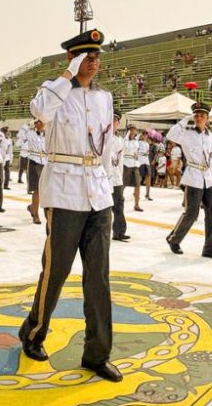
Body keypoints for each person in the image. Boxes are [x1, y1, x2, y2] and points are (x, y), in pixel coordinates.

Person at [18, 28, 121, 383]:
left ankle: (97, 353)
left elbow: (106, 146)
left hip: (97, 193)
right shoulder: (55, 93)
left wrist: (109, 185)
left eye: (96, 58)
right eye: (85, 57)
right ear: (72, 58)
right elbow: (39, 111)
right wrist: (67, 75)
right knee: (56, 270)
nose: (92, 64)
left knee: (99, 278)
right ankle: (33, 332)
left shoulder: (104, 98)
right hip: (64, 193)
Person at [165, 102, 212, 259]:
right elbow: (170, 135)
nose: (199, 118)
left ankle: (210, 248)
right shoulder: (187, 133)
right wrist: (185, 120)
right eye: (196, 115)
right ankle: (174, 239)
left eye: (202, 116)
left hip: (207, 178)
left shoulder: (210, 135)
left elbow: (210, 157)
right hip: (193, 177)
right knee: (192, 213)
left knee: (211, 214)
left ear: (207, 118)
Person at [106, 111, 129, 241]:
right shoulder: (102, 137)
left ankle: (119, 231)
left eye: (115, 121)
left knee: (119, 204)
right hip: (104, 177)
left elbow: (121, 160)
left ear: (118, 123)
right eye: (110, 120)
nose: (112, 123)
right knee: (103, 207)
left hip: (115, 176)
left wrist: (120, 176)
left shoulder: (120, 140)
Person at [26, 120, 47, 224]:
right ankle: (36, 215)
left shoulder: (47, 134)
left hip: (45, 162)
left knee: (45, 190)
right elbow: (22, 134)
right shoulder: (30, 132)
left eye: (42, 122)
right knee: (37, 190)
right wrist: (31, 124)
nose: (42, 124)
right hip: (34, 161)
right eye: (39, 122)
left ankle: (32, 207)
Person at [122, 124, 143, 211]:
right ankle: (117, 201)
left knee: (137, 184)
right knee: (123, 184)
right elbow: (125, 148)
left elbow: (137, 151)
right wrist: (127, 137)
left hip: (135, 164)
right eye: (131, 130)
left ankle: (137, 205)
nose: (133, 131)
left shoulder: (136, 141)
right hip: (126, 163)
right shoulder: (125, 140)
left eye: (134, 130)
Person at [138, 131, 152, 200]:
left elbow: (147, 152)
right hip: (141, 162)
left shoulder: (147, 144)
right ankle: (137, 193)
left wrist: (146, 153)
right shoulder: (138, 142)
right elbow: (137, 151)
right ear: (142, 135)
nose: (145, 136)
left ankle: (148, 194)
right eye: (144, 135)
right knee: (140, 178)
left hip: (147, 162)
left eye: (146, 135)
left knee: (148, 177)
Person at [17, 121, 30, 185]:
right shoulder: (22, 138)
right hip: (22, 154)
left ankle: (28, 181)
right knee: (21, 168)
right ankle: (19, 179)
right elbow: (17, 145)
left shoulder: (31, 138)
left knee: (28, 169)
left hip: (29, 155)